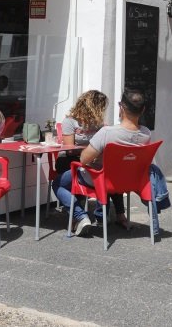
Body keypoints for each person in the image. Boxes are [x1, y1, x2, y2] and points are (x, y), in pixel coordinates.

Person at [53, 89, 151, 236]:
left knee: (109, 172)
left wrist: (95, 150)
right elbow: (70, 149)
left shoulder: (102, 127)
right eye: (101, 107)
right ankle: (93, 215)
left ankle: (92, 216)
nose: (103, 110)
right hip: (71, 160)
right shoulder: (71, 121)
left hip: (91, 164)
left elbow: (100, 148)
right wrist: (94, 150)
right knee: (109, 172)